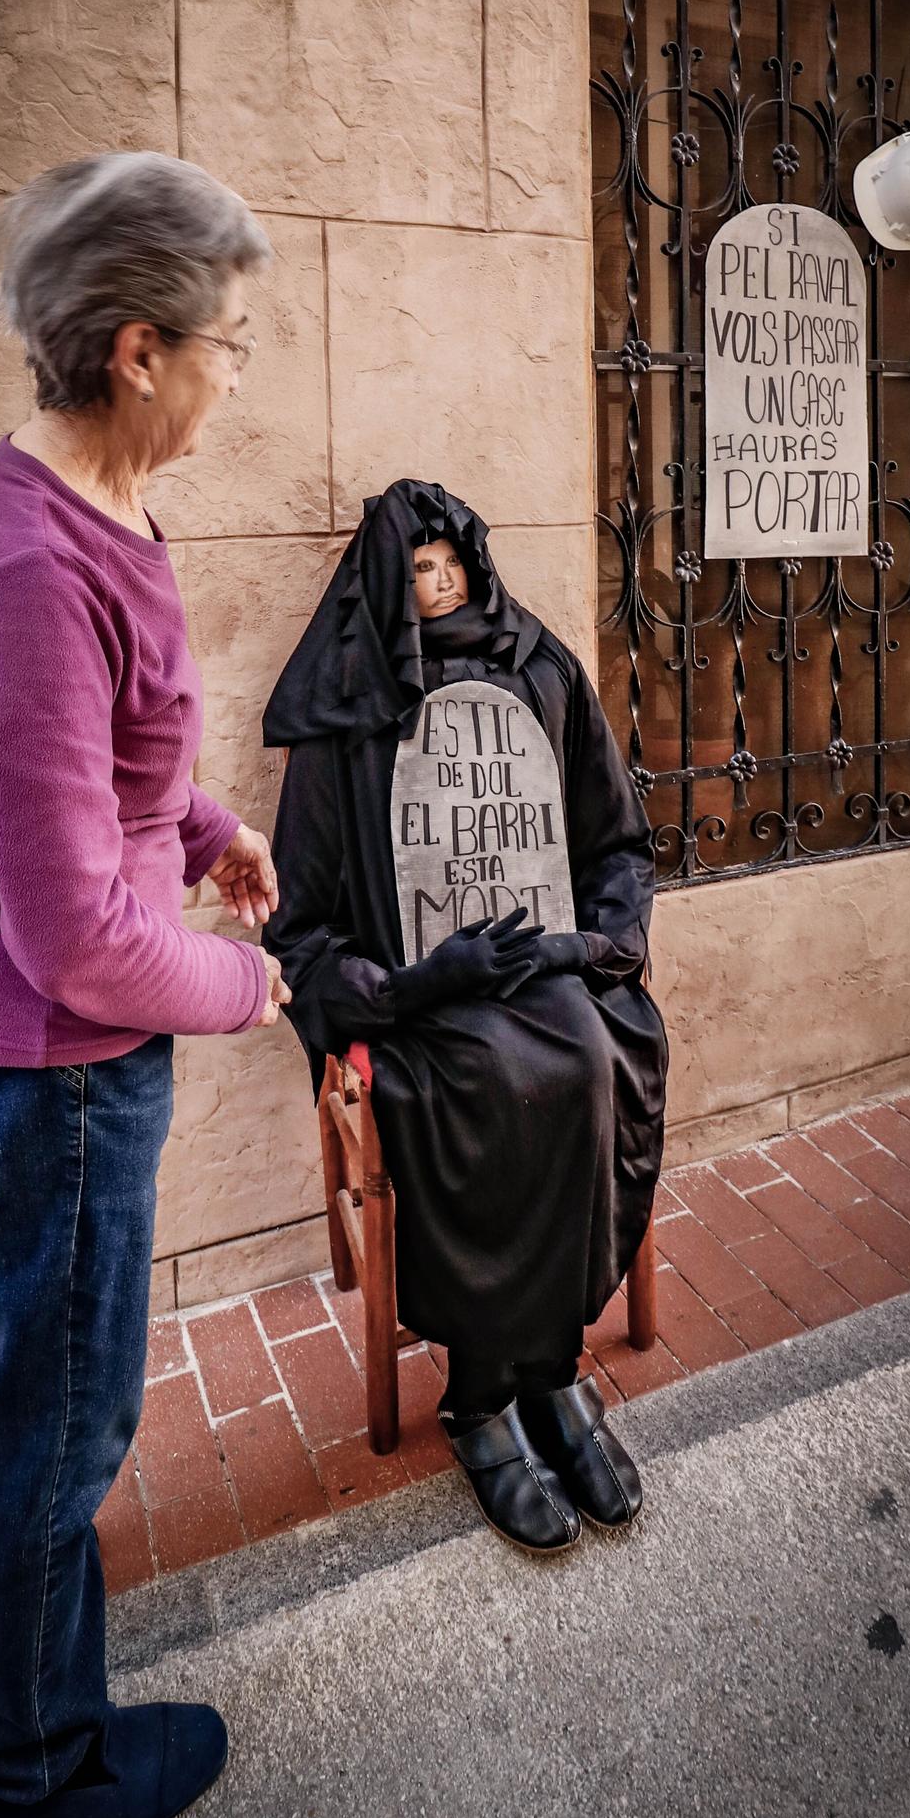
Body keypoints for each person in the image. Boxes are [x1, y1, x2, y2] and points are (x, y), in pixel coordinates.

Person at [0, 151, 291, 1818]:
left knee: (3, 1379)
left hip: (1, 1048)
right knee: (57, 1424)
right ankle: (31, 1775)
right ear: (135, 349)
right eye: (226, 341)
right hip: (40, 1068)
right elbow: (82, 951)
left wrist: (199, 821)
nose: (231, 369)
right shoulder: (32, 572)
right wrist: (243, 986)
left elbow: (86, 760)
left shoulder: (88, 511)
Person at [262, 479, 668, 1555]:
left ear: (475, 566)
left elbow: (614, 844)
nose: (437, 585)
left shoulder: (538, 670)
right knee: (486, 1090)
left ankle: (549, 1364)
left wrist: (586, 947)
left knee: (584, 1061)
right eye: (416, 572)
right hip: (418, 1003)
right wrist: (407, 986)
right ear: (382, 590)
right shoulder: (346, 715)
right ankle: (483, 1394)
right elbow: (299, 931)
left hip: (538, 972)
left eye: (450, 564)